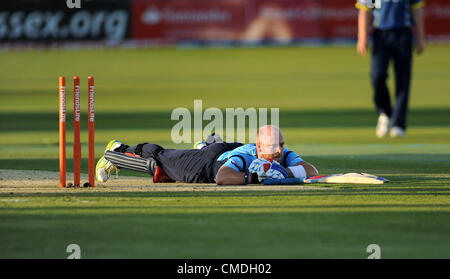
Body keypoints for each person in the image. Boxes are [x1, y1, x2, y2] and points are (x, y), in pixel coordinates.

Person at [95, 125, 318, 185]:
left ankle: (206, 143)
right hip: (206, 165)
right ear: (259, 146)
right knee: (162, 159)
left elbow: (311, 171)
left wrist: (282, 171)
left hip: (227, 148)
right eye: (273, 147)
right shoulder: (246, 157)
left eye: (281, 145)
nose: (279, 150)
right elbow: (222, 177)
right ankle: (117, 151)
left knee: (217, 146)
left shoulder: (280, 154)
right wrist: (255, 177)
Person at [356, 0, 426, 138]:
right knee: (377, 76)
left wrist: (421, 37)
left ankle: (399, 123)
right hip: (380, 34)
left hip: (403, 34)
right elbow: (365, 9)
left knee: (403, 79)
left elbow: (417, 9)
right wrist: (362, 36)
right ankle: (385, 113)